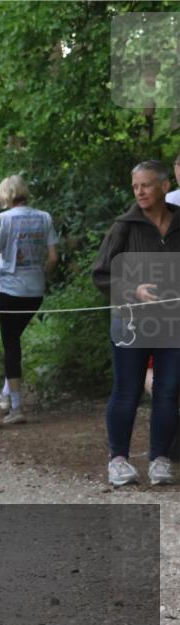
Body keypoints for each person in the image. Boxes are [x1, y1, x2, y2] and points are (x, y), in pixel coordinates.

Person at [92, 159, 179, 486]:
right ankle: (118, 460)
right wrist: (133, 290)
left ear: (165, 186)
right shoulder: (124, 226)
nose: (140, 192)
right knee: (127, 391)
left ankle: (160, 459)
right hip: (130, 324)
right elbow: (100, 274)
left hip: (173, 326)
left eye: (146, 185)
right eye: (135, 186)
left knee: (167, 392)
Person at [0, 175, 59, 424]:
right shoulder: (44, 217)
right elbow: (53, 258)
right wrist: (42, 275)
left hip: (9, 290)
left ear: (5, 194)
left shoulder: (3, 220)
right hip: (35, 291)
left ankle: (16, 407)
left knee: (11, 346)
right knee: (14, 340)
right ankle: (6, 395)